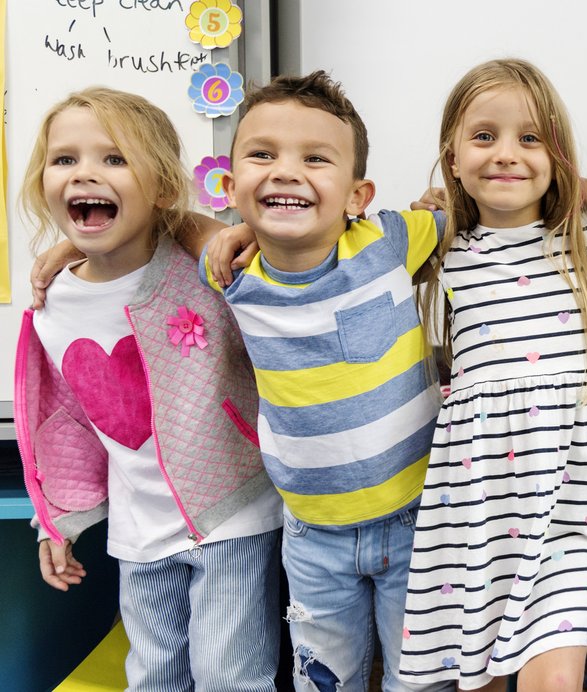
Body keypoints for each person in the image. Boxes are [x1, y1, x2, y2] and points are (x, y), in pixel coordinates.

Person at [14, 87, 282, 690]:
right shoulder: (51, 307)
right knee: (154, 676)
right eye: (65, 160)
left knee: (229, 678)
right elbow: (68, 428)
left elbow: (273, 254)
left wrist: (195, 225)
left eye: (115, 159)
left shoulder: (206, 272)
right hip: (138, 534)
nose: (86, 171)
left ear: (161, 187)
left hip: (234, 513)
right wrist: (56, 523)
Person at [201, 71, 449, 692]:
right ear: (231, 188)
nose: (286, 171)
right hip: (313, 537)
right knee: (323, 681)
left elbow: (460, 212)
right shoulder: (232, 272)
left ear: (357, 195)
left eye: (315, 158)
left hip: (418, 520)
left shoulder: (388, 240)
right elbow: (167, 223)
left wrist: (441, 204)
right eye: (263, 155)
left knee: (420, 682)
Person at [395, 58, 587, 692]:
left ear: (559, 156)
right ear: (452, 156)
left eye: (531, 138)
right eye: (484, 137)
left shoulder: (586, 235)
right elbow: (320, 241)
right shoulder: (438, 244)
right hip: (477, 509)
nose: (506, 155)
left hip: (567, 513)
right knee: (478, 680)